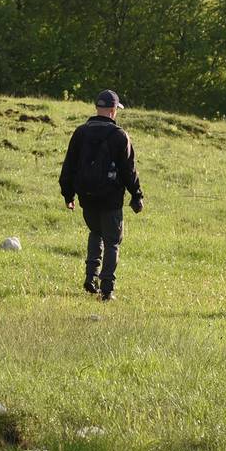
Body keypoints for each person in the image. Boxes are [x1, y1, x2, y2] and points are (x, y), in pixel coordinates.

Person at [59, 89, 143, 301]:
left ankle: (91, 278)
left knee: (95, 233)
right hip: (111, 199)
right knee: (112, 241)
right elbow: (129, 170)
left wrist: (68, 196)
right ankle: (107, 289)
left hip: (86, 197)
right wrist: (137, 195)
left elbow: (68, 167)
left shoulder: (80, 133)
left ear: (97, 108)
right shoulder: (119, 136)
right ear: (114, 110)